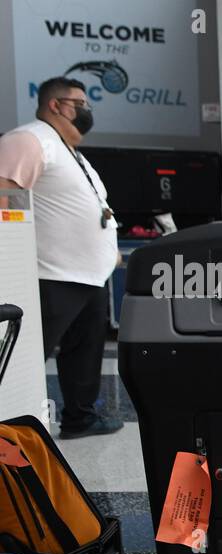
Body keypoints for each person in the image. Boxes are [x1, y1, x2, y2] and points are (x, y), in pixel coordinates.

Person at [0, 76, 123, 439]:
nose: (86, 111)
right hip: (49, 274)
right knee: (24, 356)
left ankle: (79, 418)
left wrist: (108, 251)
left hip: (89, 275)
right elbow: (6, 197)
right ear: (55, 105)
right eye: (80, 103)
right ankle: (9, 425)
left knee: (84, 355)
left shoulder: (72, 153)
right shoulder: (30, 139)